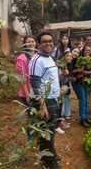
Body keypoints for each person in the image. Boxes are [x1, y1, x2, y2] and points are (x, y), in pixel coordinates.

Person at [29, 32, 61, 169]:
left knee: (51, 131)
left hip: (53, 100)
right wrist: (42, 106)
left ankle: (50, 155)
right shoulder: (37, 60)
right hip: (45, 102)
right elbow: (35, 85)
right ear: (39, 44)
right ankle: (50, 163)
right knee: (45, 134)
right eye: (45, 41)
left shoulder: (50, 58)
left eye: (50, 41)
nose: (48, 43)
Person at [72, 45, 91, 127]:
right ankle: (82, 119)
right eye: (86, 50)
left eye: (89, 50)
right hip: (78, 82)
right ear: (83, 51)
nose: (87, 52)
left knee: (86, 100)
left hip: (85, 82)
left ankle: (86, 117)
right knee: (82, 100)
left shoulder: (90, 60)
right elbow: (80, 71)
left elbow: (90, 71)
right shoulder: (80, 59)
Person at [15, 35, 37, 105]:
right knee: (33, 114)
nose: (31, 43)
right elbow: (22, 78)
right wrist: (27, 95)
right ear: (25, 44)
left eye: (33, 41)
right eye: (28, 42)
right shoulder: (21, 58)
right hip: (27, 91)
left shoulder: (38, 55)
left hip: (38, 90)